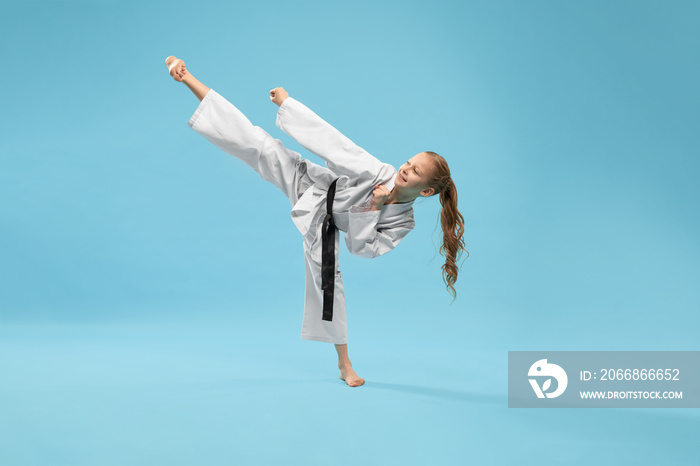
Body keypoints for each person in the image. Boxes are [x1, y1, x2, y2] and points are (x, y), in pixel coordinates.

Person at [164, 56, 467, 387]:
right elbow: (338, 147)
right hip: (312, 184)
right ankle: (188, 78)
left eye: (415, 171)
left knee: (330, 287)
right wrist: (289, 107)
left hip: (325, 227)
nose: (405, 168)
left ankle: (344, 364)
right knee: (257, 144)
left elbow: (361, 249)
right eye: (409, 161)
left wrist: (373, 207)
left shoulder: (402, 223)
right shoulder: (382, 172)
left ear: (425, 192)